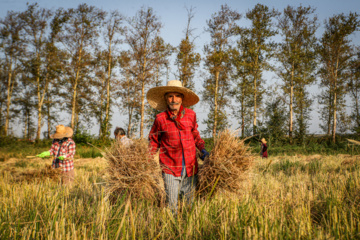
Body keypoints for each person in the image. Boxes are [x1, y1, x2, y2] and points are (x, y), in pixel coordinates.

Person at [147, 80, 209, 212]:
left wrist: (202, 149)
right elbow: (154, 141)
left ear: (182, 98)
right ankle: (171, 230)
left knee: (189, 205)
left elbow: (195, 135)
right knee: (172, 206)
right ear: (166, 99)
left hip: (190, 167)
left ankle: (188, 230)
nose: (173, 99)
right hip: (170, 166)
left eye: (177, 96)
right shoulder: (160, 119)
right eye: (170, 96)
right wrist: (145, 160)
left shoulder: (190, 115)